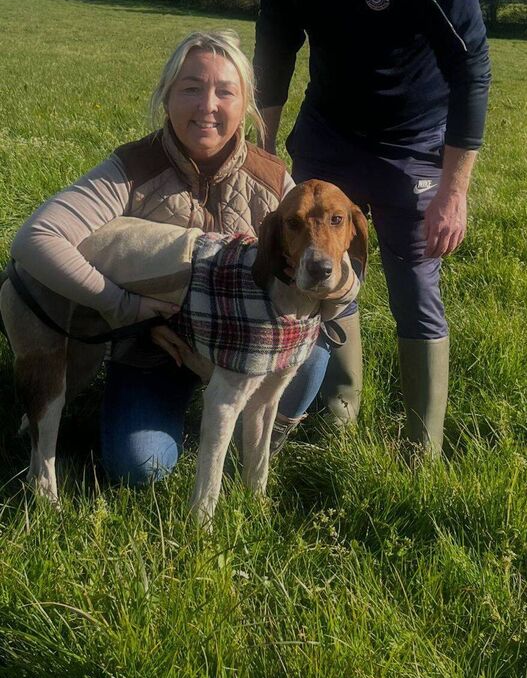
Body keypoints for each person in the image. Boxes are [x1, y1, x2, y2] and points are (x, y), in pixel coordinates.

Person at [254, 0, 492, 455]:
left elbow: (471, 66)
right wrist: (268, 147)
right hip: (329, 135)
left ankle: (420, 447)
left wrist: (454, 189)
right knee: (329, 269)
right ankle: (339, 412)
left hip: (415, 140)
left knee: (414, 285)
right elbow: (275, 43)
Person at [10, 30, 338, 483]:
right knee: (141, 466)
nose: (208, 105)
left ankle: (259, 434)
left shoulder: (275, 182)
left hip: (241, 344)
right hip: (152, 347)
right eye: (190, 88)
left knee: (315, 356)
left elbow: (323, 258)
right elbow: (34, 239)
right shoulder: (131, 169)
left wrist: (339, 286)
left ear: (245, 105)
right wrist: (124, 307)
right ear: (167, 98)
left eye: (225, 91)